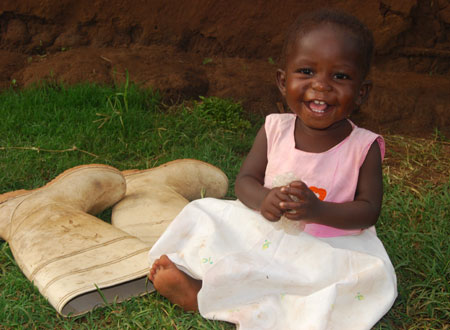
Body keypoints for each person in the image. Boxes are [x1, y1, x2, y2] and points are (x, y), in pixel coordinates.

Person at [149, 9, 397, 329]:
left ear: (362, 92)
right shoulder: (274, 129)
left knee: (340, 283)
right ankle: (204, 286)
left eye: (340, 76)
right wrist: (264, 199)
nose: (320, 86)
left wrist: (318, 210)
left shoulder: (363, 148)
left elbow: (367, 211)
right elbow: (245, 182)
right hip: (263, 228)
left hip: (326, 245)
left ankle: (212, 297)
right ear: (283, 80)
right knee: (206, 217)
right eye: (307, 71)